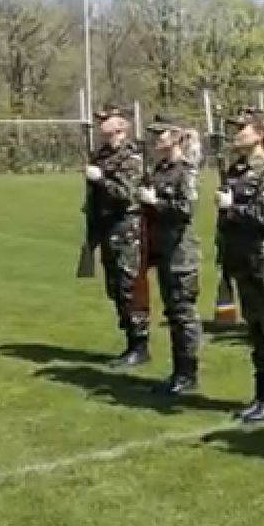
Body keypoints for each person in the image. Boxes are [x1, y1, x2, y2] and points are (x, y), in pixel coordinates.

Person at [217, 113, 264, 423]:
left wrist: (231, 208)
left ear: (259, 134)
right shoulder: (237, 170)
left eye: (241, 129)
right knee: (257, 332)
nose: (235, 134)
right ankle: (261, 395)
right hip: (244, 261)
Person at [138, 120, 203, 394]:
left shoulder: (184, 171)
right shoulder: (160, 169)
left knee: (183, 314)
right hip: (163, 249)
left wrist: (155, 202)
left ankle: (187, 374)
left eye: (160, 134)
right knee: (173, 311)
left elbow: (185, 209)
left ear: (176, 138)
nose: (154, 139)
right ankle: (178, 371)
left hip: (180, 252)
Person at [83, 105, 150, 367]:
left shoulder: (130, 157)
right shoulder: (101, 155)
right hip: (106, 227)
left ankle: (139, 344)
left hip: (126, 229)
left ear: (121, 127)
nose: (100, 125)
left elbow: (127, 194)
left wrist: (100, 180)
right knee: (115, 288)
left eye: (106, 121)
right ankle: (130, 340)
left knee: (129, 287)